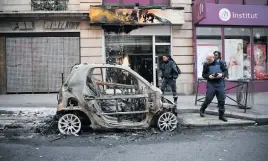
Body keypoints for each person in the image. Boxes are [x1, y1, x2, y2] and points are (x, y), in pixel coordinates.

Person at [200, 53, 228, 122]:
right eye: (207, 60)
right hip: (211, 83)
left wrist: (221, 75)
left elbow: (226, 72)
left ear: (213, 58)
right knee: (208, 98)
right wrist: (208, 76)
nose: (208, 61)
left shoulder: (221, 63)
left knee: (221, 100)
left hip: (220, 83)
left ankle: (221, 115)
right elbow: (203, 74)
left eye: (210, 59)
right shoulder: (206, 64)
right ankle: (202, 109)